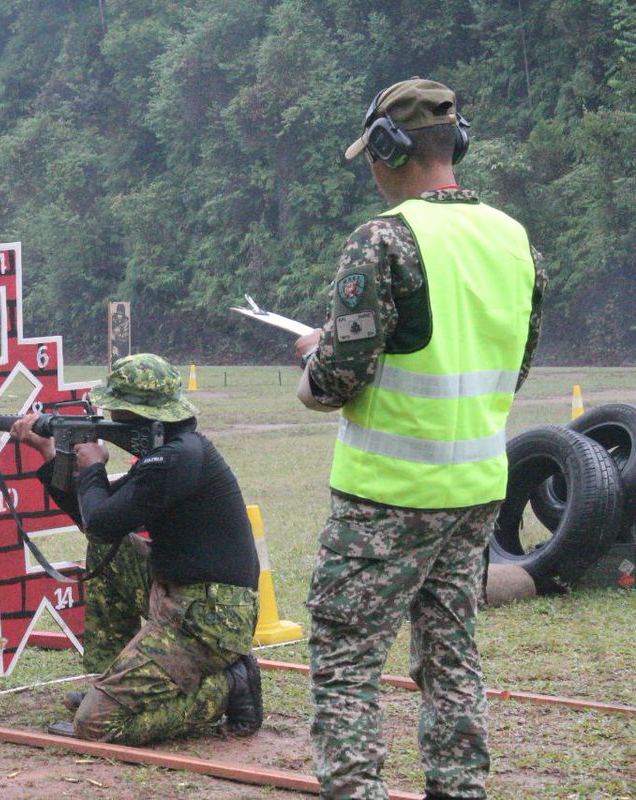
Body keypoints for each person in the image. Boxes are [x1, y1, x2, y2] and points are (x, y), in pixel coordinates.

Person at [294, 78, 546, 799]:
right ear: (454, 143)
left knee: (345, 659)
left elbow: (338, 381)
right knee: (451, 654)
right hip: (474, 490)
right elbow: (514, 362)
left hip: (385, 494)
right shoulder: (513, 239)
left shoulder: (383, 239)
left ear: (385, 147)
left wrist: (312, 364)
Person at [9, 353, 263, 745]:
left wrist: (92, 465)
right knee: (107, 555)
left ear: (135, 415)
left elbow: (102, 521)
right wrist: (50, 456)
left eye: (115, 412)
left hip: (210, 617)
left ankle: (228, 687)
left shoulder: (174, 459)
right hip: (184, 594)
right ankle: (114, 678)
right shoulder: (172, 452)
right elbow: (101, 521)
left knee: (95, 725)